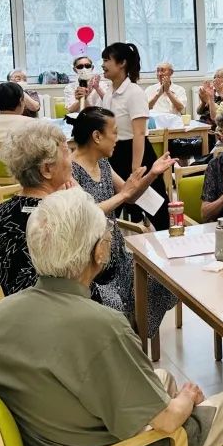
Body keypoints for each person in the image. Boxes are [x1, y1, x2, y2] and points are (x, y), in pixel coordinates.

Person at [0, 187, 223, 446]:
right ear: (98, 253)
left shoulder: (0, 314)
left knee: (163, 379)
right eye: (107, 237)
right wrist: (186, 399)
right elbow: (168, 420)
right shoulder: (101, 326)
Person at [67, 107, 177, 337]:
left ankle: (136, 336)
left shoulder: (103, 164)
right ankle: (126, 338)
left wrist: (152, 174)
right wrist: (124, 194)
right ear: (97, 136)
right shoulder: (69, 171)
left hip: (117, 254)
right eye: (114, 132)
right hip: (91, 265)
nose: (117, 139)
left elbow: (130, 195)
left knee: (166, 281)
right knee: (114, 310)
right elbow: (88, 213)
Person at [0, 120, 78, 297]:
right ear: (47, 169)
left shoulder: (0, 213)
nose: (72, 159)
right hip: (58, 307)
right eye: (67, 151)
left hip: (11, 306)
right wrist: (78, 200)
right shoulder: (63, 216)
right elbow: (105, 269)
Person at [96, 42, 170, 230]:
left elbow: (139, 133)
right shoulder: (109, 93)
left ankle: (169, 241)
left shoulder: (134, 92)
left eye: (107, 60)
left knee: (156, 209)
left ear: (122, 63)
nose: (103, 65)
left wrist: (135, 168)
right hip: (114, 153)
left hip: (137, 153)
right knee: (112, 207)